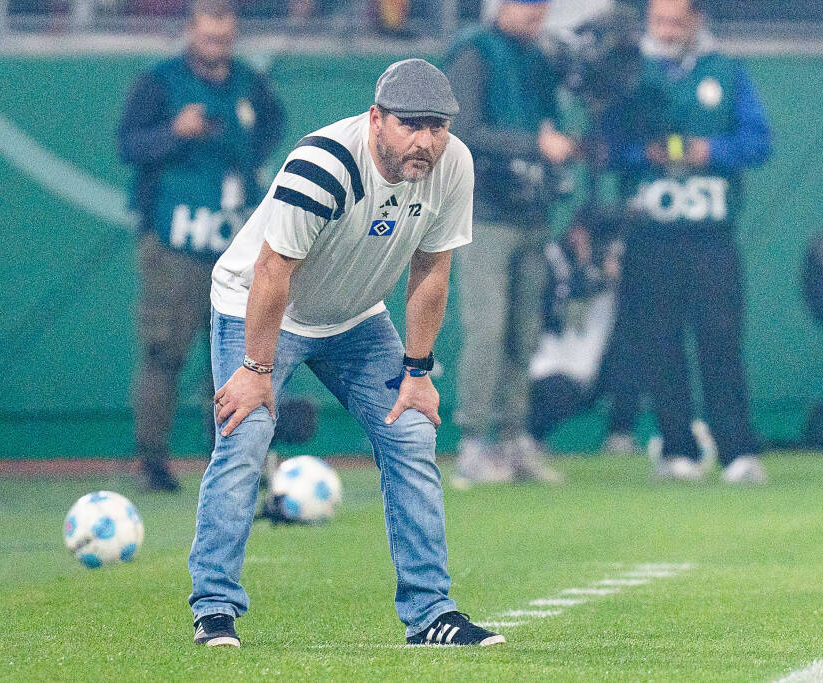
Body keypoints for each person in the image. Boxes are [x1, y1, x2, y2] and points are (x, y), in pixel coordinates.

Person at [187, 59, 505, 648]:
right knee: (245, 437)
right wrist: (257, 371)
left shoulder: (452, 163)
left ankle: (430, 612)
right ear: (376, 118)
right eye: (411, 124)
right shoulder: (323, 164)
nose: (426, 140)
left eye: (437, 126)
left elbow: (432, 269)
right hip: (259, 306)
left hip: (356, 316)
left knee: (412, 432)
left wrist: (417, 371)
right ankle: (214, 607)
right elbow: (272, 270)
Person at [117, 0, 285, 492]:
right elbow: (128, 145)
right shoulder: (158, 83)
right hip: (173, 239)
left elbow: (271, 126)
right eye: (210, 38)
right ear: (190, 32)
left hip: (232, 238)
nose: (219, 49)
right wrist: (174, 132)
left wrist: (246, 154)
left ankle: (230, 457)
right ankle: (152, 459)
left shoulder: (249, 84)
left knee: (235, 353)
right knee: (164, 348)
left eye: (226, 40)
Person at [605, 0, 772, 483]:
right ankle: (677, 447)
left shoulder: (726, 72)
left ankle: (737, 450)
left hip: (711, 236)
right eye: (659, 21)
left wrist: (711, 150)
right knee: (659, 345)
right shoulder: (630, 73)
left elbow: (759, 141)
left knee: (720, 342)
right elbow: (605, 146)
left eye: (676, 22)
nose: (667, 30)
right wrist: (644, 153)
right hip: (649, 235)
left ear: (697, 21)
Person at [444, 0, 577, 485]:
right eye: (525, 4)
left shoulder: (538, 59)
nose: (535, 14)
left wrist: (553, 151)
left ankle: (514, 437)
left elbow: (549, 126)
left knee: (525, 331)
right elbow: (460, 129)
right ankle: (474, 441)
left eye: (541, 6)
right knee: (487, 329)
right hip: (486, 212)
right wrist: (533, 145)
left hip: (531, 208)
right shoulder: (473, 52)